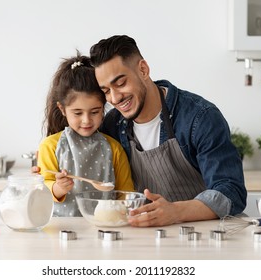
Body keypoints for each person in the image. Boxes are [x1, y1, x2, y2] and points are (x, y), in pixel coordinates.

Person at [89, 35, 247, 227]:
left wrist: (176, 211)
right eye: (106, 91)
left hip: (201, 237)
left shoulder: (200, 117)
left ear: (143, 70)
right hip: (143, 237)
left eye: (121, 83)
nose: (114, 98)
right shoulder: (113, 124)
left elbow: (231, 191)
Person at [37, 52, 134, 217]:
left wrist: (125, 209)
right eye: (77, 113)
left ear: (104, 106)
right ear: (62, 109)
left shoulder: (114, 148)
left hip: (104, 228)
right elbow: (42, 188)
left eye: (95, 112)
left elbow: (126, 193)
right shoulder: (50, 146)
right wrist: (58, 188)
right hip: (62, 230)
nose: (86, 120)